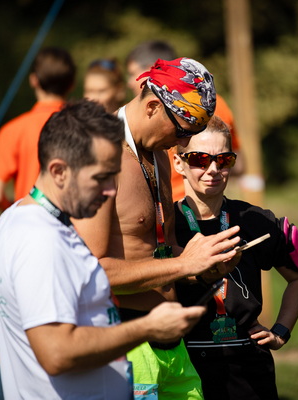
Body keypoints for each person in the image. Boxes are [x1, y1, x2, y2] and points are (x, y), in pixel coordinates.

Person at [0, 99, 206, 399]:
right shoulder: (43, 241)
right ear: (59, 171)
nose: (111, 191)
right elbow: (57, 354)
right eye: (101, 178)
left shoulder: (11, 220)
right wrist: (147, 328)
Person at [73, 57, 241, 399]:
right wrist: (184, 264)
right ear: (152, 107)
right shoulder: (100, 157)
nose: (184, 142)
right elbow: (90, 272)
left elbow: (160, 251)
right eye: (183, 131)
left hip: (171, 343)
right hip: (126, 340)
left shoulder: (157, 153)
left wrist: (204, 266)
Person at [172, 116, 298, 399]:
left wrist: (281, 331)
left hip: (248, 368)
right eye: (199, 159)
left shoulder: (255, 220)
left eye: (224, 160)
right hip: (184, 365)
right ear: (178, 163)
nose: (213, 169)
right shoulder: (165, 225)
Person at [126, 40, 245, 200]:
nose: (129, 82)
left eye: (133, 73)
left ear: (151, 70)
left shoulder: (209, 106)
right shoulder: (217, 102)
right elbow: (239, 163)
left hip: (181, 202)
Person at [0, 46, 76, 211]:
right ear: (71, 84)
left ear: (34, 80)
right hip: (73, 222)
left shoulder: (13, 130)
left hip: (28, 219)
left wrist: (15, 209)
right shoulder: (82, 126)